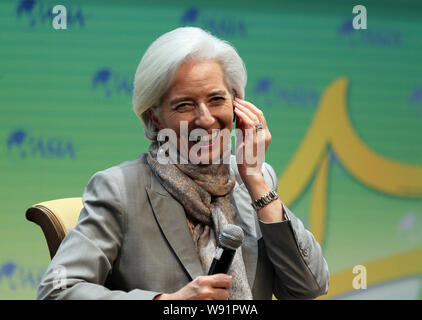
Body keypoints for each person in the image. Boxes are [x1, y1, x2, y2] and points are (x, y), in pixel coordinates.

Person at [37, 27, 329, 300]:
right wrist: (168, 301)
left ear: (238, 106)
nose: (204, 119)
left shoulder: (256, 179)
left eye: (216, 99)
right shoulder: (119, 189)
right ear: (154, 118)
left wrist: (255, 180)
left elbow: (307, 288)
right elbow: (57, 290)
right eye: (184, 105)